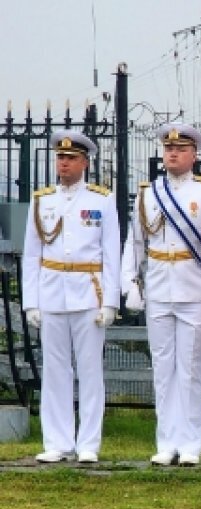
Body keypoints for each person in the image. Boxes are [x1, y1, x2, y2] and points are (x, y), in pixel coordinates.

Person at [120, 123, 201, 466]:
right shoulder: (148, 193)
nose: (173, 153)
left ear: (194, 155)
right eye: (169, 149)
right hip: (158, 286)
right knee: (163, 367)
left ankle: (190, 444)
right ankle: (166, 441)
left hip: (194, 287)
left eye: (181, 149)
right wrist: (130, 284)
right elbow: (135, 243)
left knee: (191, 368)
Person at [20, 130, 120, 463]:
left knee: (90, 371)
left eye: (71, 158)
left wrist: (110, 302)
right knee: (55, 370)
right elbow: (32, 254)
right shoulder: (42, 199)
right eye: (60, 157)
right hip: (51, 291)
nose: (63, 163)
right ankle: (57, 441)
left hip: (87, 293)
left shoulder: (100, 199)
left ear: (85, 163)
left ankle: (88, 443)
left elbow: (111, 254)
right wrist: (31, 302)